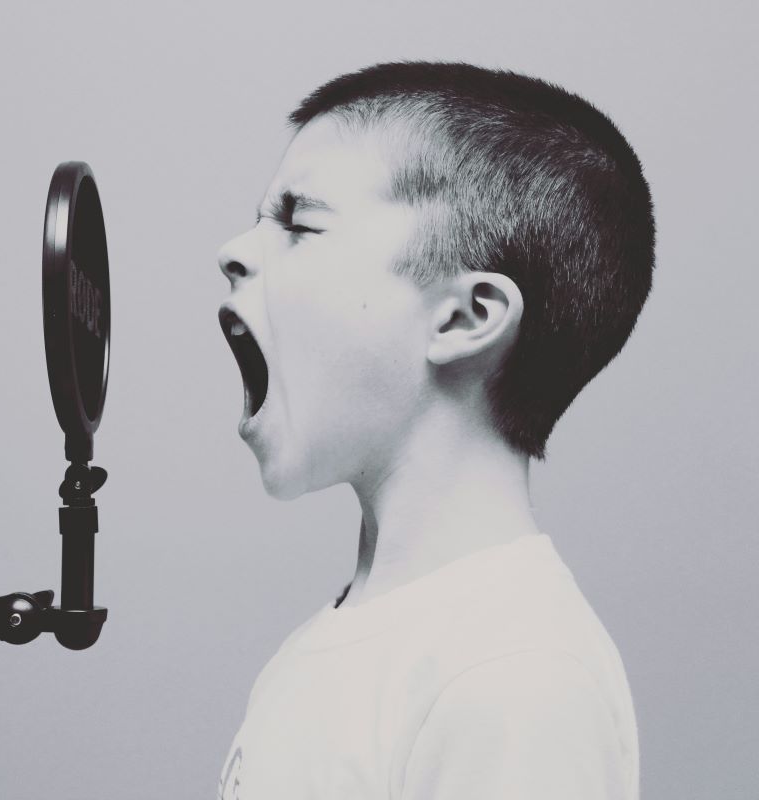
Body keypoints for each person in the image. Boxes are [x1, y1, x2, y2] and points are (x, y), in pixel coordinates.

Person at [216, 62, 653, 799]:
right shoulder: (337, 644)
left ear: (465, 317)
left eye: (298, 222)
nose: (234, 251)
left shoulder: (514, 677)